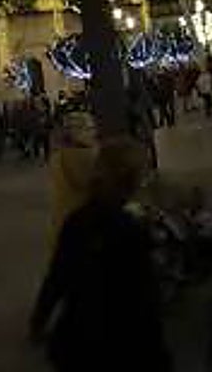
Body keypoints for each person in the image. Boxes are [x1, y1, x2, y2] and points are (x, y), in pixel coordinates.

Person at [30, 139, 168, 372]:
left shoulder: (77, 221)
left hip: (76, 341)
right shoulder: (130, 231)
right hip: (119, 345)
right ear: (131, 182)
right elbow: (144, 300)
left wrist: (39, 320)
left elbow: (57, 277)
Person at [47, 110, 99, 250]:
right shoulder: (84, 157)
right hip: (84, 225)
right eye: (89, 129)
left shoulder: (58, 155)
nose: (94, 133)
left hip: (63, 222)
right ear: (76, 132)